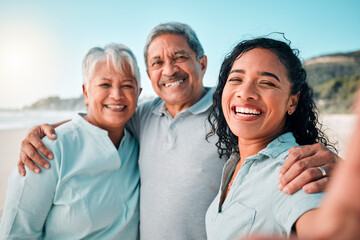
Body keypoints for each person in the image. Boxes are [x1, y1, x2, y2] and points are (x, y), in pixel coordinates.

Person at [16, 22, 338, 239]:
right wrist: (45, 132)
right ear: (150, 77)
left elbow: (276, 135)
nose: (168, 69)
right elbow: (106, 113)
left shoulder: (230, 108)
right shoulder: (144, 114)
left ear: (203, 63)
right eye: (157, 62)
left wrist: (334, 165)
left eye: (180, 57)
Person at [0, 43, 142, 239]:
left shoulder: (141, 139)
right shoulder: (47, 150)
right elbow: (16, 234)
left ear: (138, 93)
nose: (116, 95)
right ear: (86, 93)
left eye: (127, 85)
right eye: (105, 85)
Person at [205, 37, 336, 239]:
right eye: (236, 79)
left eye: (266, 83)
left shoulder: (294, 170)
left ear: (292, 102)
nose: (245, 93)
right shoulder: (234, 162)